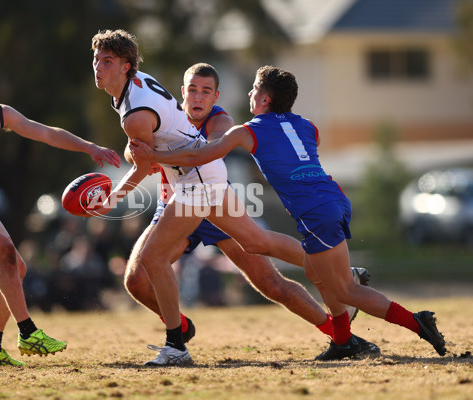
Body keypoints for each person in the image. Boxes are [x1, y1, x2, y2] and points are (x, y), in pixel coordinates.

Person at [91, 29, 375, 366]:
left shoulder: (214, 119)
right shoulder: (144, 96)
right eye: (192, 90)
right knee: (140, 278)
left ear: (215, 96)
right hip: (184, 195)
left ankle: (338, 328)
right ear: (181, 92)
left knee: (267, 279)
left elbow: (195, 153)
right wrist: (144, 154)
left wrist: (117, 192)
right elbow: (149, 151)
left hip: (198, 189)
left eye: (206, 91)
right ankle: (180, 328)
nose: (198, 97)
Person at [130, 66, 447, 360]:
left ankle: (414, 322)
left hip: (305, 212)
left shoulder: (244, 130)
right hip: (335, 200)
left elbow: (203, 155)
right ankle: (341, 339)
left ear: (264, 98)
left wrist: (154, 154)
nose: (250, 95)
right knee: (313, 272)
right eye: (193, 90)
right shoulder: (308, 126)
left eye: (254, 90)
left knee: (340, 288)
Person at [0, 50, 121, 367]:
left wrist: (89, 147)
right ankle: (27, 331)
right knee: (7, 257)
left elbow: (46, 133)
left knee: (17, 268)